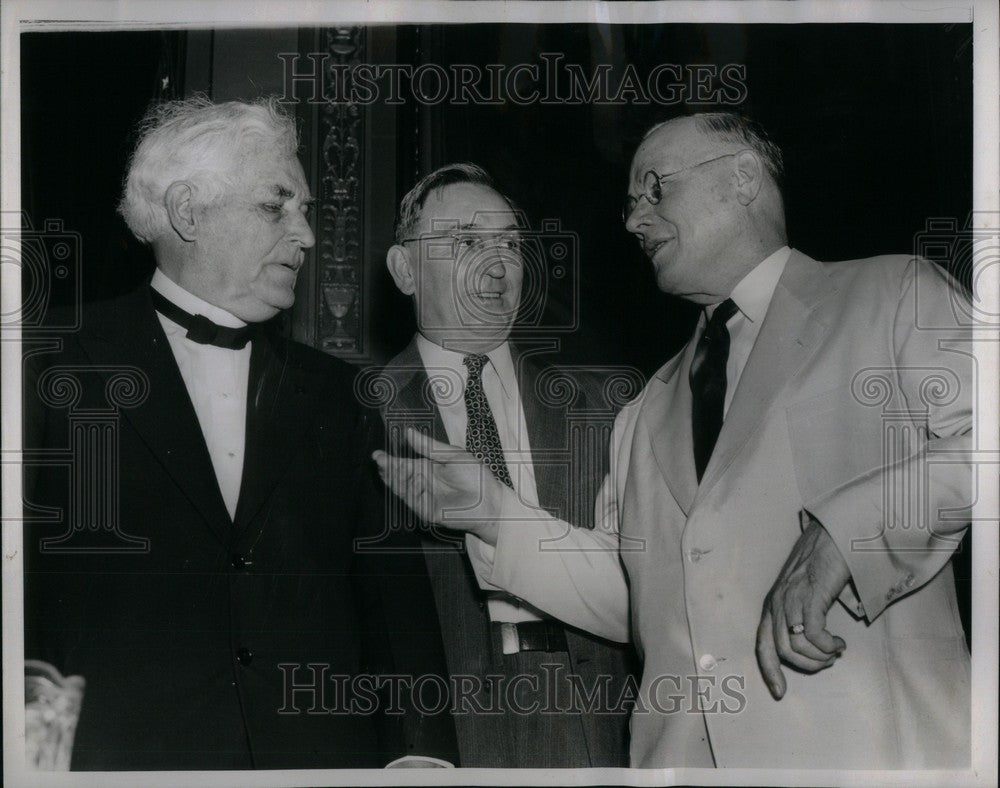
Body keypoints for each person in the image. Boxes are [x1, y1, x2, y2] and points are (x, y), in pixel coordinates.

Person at [374, 113, 973, 769]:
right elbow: (634, 596)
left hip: (871, 759)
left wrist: (843, 531)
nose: (633, 221)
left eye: (656, 190)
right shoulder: (647, 407)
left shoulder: (894, 295)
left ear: (743, 179)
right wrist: (495, 514)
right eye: (631, 204)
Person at [22, 96, 457, 770]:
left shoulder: (343, 396)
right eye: (275, 205)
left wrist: (422, 757)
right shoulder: (46, 365)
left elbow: (393, 607)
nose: (307, 235)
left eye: (306, 209)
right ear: (188, 212)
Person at [369, 163, 635, 767]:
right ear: (405, 270)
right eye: (466, 241)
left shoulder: (605, 410)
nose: (497, 264)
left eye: (510, 244)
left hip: (599, 725)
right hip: (446, 741)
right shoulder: (359, 416)